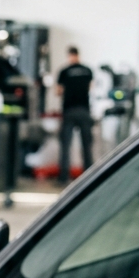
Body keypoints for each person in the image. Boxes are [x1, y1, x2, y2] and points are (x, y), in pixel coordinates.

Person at [57, 46, 94, 182]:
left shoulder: (64, 71)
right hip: (84, 110)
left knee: (65, 146)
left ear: (69, 56)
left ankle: (63, 177)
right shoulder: (87, 70)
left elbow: (59, 91)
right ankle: (89, 176)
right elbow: (90, 88)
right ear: (78, 55)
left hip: (69, 111)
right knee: (87, 146)